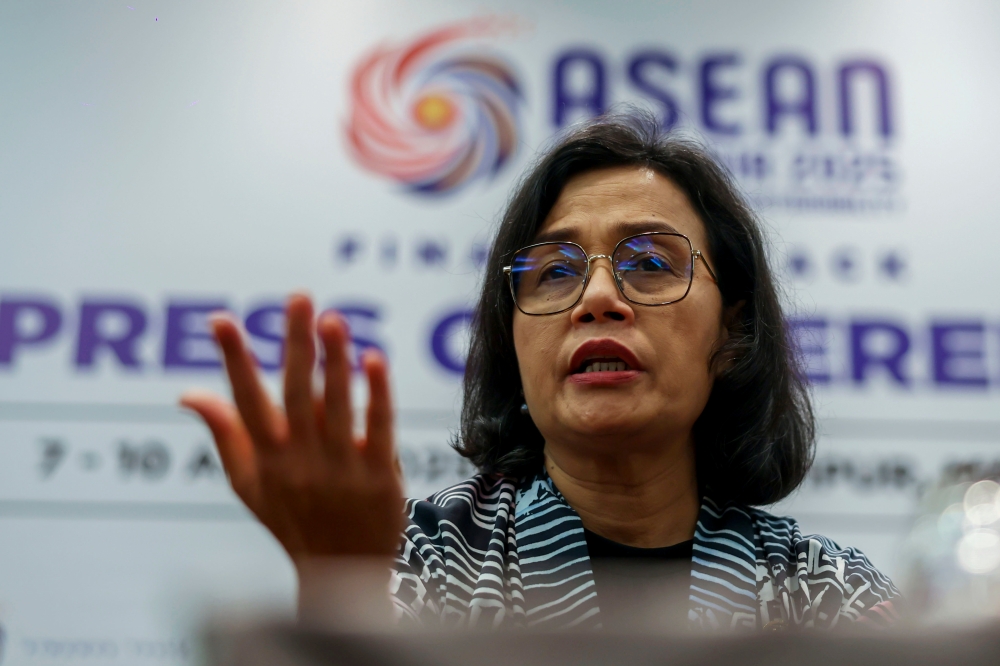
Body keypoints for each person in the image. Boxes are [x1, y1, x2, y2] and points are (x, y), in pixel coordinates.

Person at [180, 112, 901, 633]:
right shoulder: (424, 559)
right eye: (553, 272)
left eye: (650, 264)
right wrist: (340, 591)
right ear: (513, 339)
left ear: (734, 331)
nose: (596, 299)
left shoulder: (823, 592)